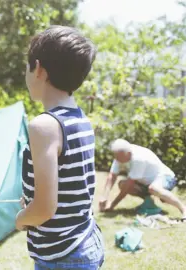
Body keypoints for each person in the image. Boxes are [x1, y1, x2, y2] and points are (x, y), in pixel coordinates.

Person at [15, 25, 104, 269]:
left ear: (39, 70)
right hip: (84, 240)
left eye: (27, 68)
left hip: (64, 257)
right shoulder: (80, 120)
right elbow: (71, 184)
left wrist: (21, 219)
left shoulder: (44, 126)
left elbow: (44, 208)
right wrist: (32, 197)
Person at [99, 139, 186, 219]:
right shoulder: (120, 154)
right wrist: (104, 197)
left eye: (119, 157)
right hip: (147, 183)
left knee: (153, 188)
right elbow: (112, 176)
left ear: (128, 153)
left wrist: (112, 205)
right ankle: (149, 202)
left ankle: (183, 209)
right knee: (122, 184)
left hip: (166, 178)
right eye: (116, 156)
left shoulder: (138, 158)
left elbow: (129, 186)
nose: (117, 160)